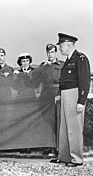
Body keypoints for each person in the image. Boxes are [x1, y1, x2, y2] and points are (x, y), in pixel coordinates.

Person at [50, 33, 91, 167]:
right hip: (65, 94)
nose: (60, 49)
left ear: (68, 45)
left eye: (61, 46)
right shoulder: (68, 60)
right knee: (65, 128)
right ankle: (64, 156)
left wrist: (81, 100)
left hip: (75, 95)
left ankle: (77, 158)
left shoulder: (81, 58)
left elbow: (84, 81)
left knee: (74, 128)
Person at [40, 44, 64, 156]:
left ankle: (58, 147)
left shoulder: (61, 65)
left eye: (52, 52)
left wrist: (59, 95)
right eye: (48, 52)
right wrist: (43, 68)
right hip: (46, 95)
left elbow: (64, 82)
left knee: (58, 121)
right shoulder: (43, 66)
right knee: (47, 121)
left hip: (57, 95)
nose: (50, 54)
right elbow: (37, 80)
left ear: (56, 53)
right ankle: (48, 146)